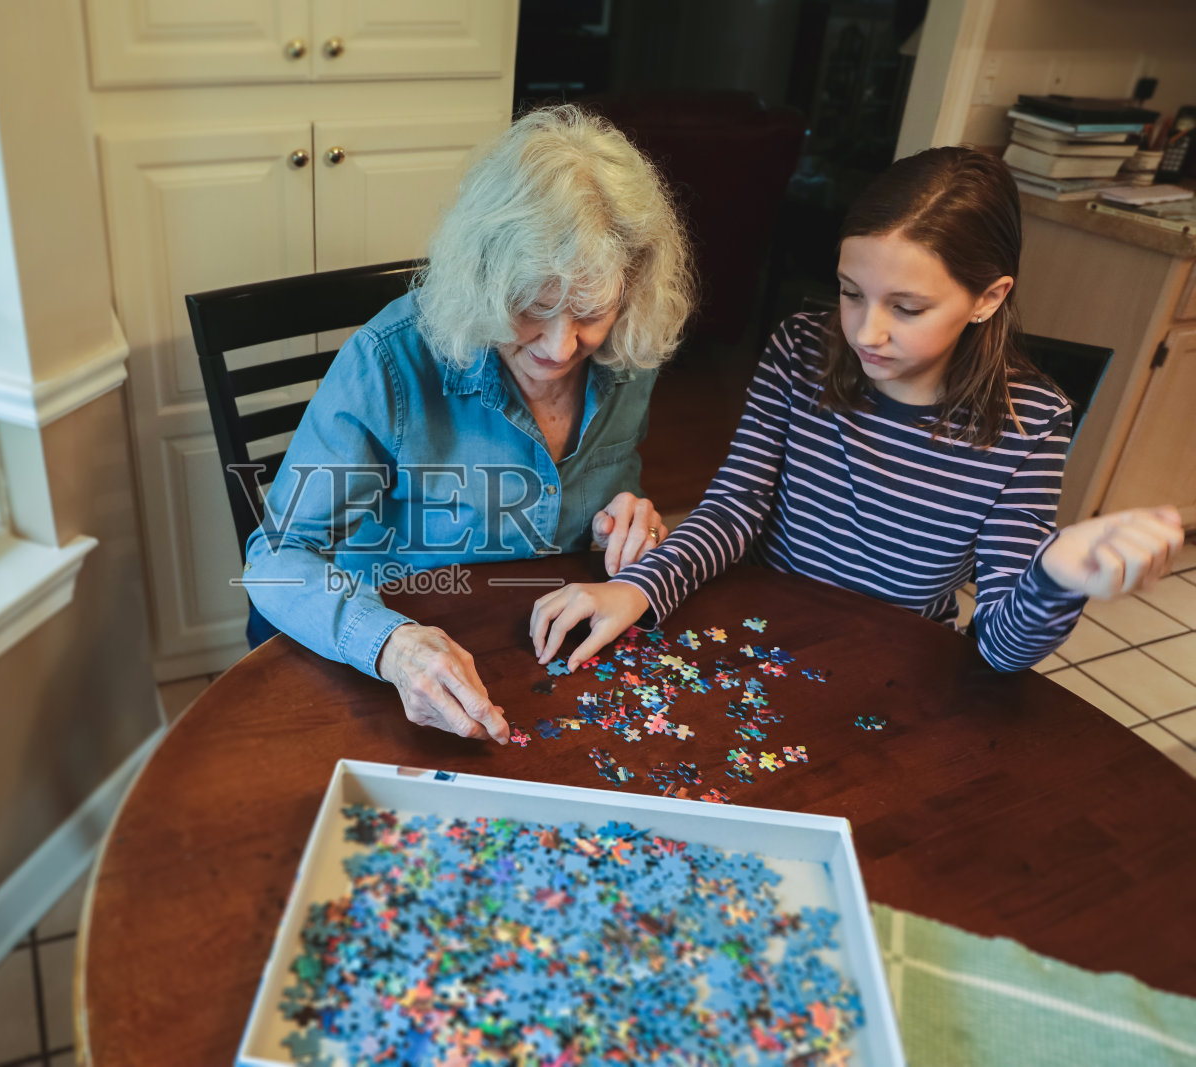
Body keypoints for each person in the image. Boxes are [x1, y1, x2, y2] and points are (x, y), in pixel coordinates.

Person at [531, 145, 1186, 673]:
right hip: (756, 628)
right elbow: (736, 506)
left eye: (907, 308)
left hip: (896, 658)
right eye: (850, 293)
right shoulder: (799, 349)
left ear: (988, 297)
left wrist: (1055, 574)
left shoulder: (1033, 421)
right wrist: (642, 585)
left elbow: (1001, 649)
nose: (865, 332)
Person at [243, 105, 695, 743]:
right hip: (411, 667)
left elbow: (594, 508)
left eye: (590, 311)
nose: (562, 347)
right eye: (533, 306)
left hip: (548, 658)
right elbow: (277, 559)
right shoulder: (387, 361)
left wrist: (625, 519)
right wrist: (393, 646)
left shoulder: (623, 348)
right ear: (484, 277)